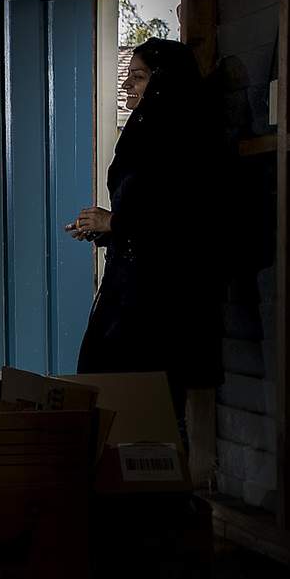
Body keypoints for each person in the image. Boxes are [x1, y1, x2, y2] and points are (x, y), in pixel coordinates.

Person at [67, 38, 228, 439]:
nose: (127, 88)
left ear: (164, 80)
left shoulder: (188, 138)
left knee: (145, 391)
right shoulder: (146, 132)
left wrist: (114, 223)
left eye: (137, 77)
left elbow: (187, 219)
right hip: (131, 283)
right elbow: (143, 209)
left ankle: (154, 486)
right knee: (107, 382)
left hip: (164, 292)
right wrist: (104, 228)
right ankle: (124, 480)